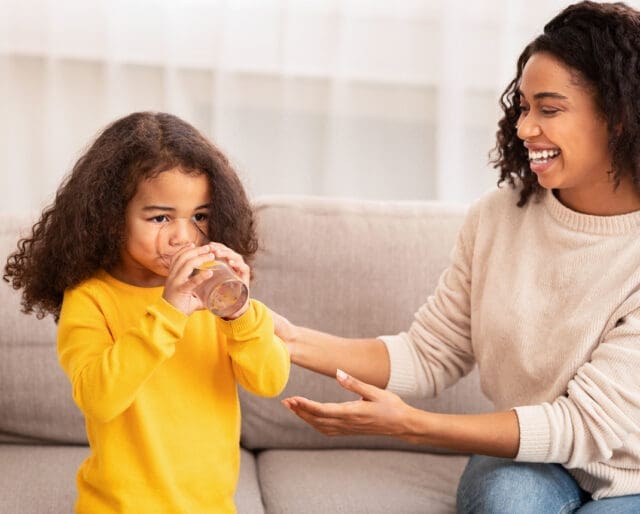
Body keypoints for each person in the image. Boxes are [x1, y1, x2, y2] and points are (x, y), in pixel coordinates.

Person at [273, 2, 640, 512]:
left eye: (549, 109)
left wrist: (414, 426)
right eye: (524, 108)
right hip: (530, 458)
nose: (524, 128)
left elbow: (585, 425)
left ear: (619, 117)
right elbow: (429, 353)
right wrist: (288, 339)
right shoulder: (499, 217)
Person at [3, 111, 290, 514]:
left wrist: (239, 312)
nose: (184, 236)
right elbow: (99, 399)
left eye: (200, 217)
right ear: (109, 218)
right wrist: (169, 311)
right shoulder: (92, 297)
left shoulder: (213, 293)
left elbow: (270, 381)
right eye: (160, 217)